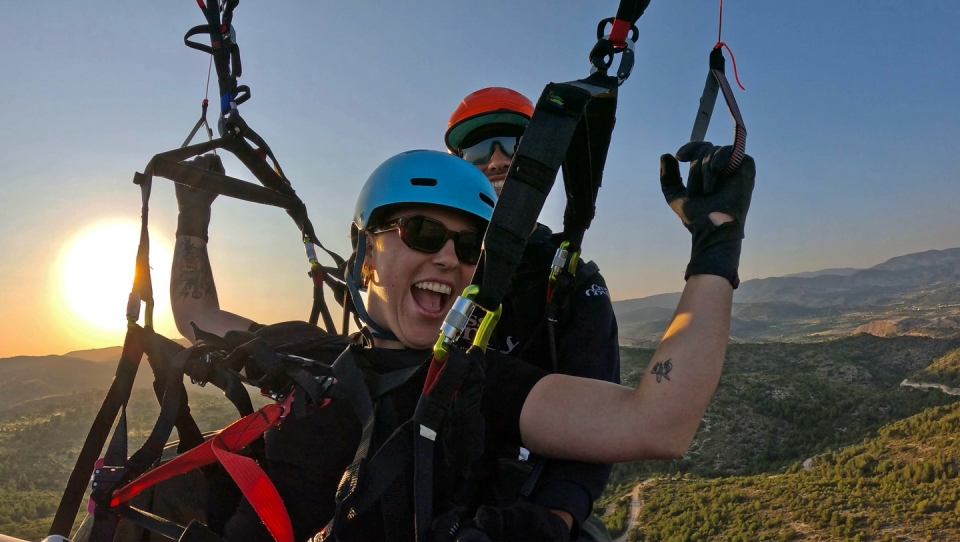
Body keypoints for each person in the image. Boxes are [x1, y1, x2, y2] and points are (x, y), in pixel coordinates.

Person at [170, 142, 754, 540]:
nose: (448, 258)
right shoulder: (309, 351)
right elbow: (194, 313)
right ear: (366, 255)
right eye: (422, 232)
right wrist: (192, 219)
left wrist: (715, 247)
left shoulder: (481, 385)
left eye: (471, 247)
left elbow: (657, 423)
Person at [445, 87, 619, 539]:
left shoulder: (571, 282)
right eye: (479, 151)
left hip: (528, 503)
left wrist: (554, 520)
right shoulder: (434, 267)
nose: (497, 161)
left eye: (516, 145)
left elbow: (597, 419)